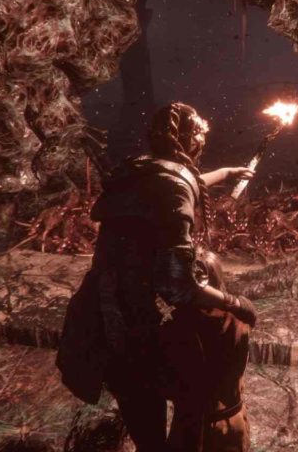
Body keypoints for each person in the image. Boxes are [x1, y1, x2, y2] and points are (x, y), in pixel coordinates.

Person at [57, 102, 257, 452]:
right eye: (200, 136)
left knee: (137, 405)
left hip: (103, 313)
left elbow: (178, 182)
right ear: (190, 140)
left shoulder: (138, 169)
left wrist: (225, 173)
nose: (202, 142)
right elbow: (178, 285)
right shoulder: (174, 187)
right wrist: (235, 303)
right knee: (186, 398)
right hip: (142, 320)